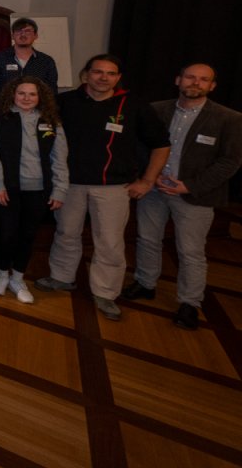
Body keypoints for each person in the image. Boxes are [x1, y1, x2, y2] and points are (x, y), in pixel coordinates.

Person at [35, 55, 170, 322]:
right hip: (70, 184)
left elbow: (161, 144)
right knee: (65, 232)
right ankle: (62, 277)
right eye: (97, 72)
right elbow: (45, 136)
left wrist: (147, 180)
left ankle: (105, 293)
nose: (103, 78)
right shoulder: (65, 102)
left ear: (118, 78)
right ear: (86, 74)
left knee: (109, 241)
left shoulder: (134, 106)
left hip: (113, 188)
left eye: (110, 73)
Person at [123, 63, 242, 330]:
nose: (195, 83)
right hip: (153, 189)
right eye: (190, 77)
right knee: (147, 239)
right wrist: (147, 177)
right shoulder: (157, 109)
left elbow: (230, 162)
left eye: (203, 80)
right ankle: (145, 283)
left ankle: (189, 302)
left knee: (190, 252)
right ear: (178, 80)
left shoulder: (229, 118)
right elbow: (140, 145)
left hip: (195, 195)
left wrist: (187, 185)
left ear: (212, 86)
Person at [0, 78, 68, 304]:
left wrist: (60, 190)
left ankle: (18, 277)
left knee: (28, 235)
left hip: (39, 189)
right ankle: (2, 273)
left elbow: (60, 158)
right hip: (8, 189)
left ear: (40, 97)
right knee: (6, 234)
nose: (26, 98)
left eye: (32, 94)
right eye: (22, 93)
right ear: (12, 94)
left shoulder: (51, 122)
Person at [0, 17, 59, 101]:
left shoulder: (46, 61)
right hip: (6, 110)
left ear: (36, 36)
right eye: (19, 31)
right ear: (12, 36)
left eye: (28, 31)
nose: (23, 34)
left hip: (37, 111)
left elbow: (51, 92)